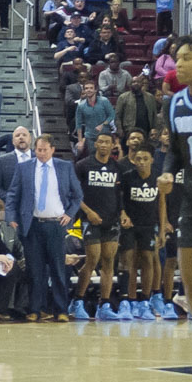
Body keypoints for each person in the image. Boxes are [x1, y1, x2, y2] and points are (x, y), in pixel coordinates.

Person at [7, 134, 83, 321]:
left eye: (44, 150)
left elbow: (77, 194)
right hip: (32, 225)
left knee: (58, 269)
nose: (40, 153)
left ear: (52, 150)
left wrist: (69, 214)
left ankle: (61, 310)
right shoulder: (24, 167)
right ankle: (35, 309)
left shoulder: (65, 167)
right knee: (35, 270)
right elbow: (13, 194)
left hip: (56, 224)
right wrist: (12, 216)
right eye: (38, 150)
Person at [158, 35, 192, 317]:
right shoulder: (175, 103)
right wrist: (167, 173)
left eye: (187, 58)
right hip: (191, 196)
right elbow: (174, 150)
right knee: (189, 277)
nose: (178, 64)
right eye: (177, 58)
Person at [72, 132, 122, 320]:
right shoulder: (83, 165)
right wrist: (88, 212)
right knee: (93, 259)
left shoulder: (116, 167)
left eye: (107, 142)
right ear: (96, 144)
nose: (103, 145)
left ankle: (105, 304)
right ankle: (78, 300)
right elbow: (75, 194)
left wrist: (122, 213)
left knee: (109, 261)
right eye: (100, 141)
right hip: (89, 219)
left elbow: (119, 194)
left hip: (111, 220)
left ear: (112, 145)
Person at [121, 147, 163, 320]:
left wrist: (161, 227)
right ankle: (131, 301)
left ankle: (145, 301)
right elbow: (120, 200)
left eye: (145, 158)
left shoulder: (158, 177)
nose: (142, 162)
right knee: (129, 262)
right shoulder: (127, 177)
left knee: (148, 260)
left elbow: (162, 203)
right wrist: (123, 214)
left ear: (152, 159)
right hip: (130, 226)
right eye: (138, 159)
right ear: (133, 160)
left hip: (149, 226)